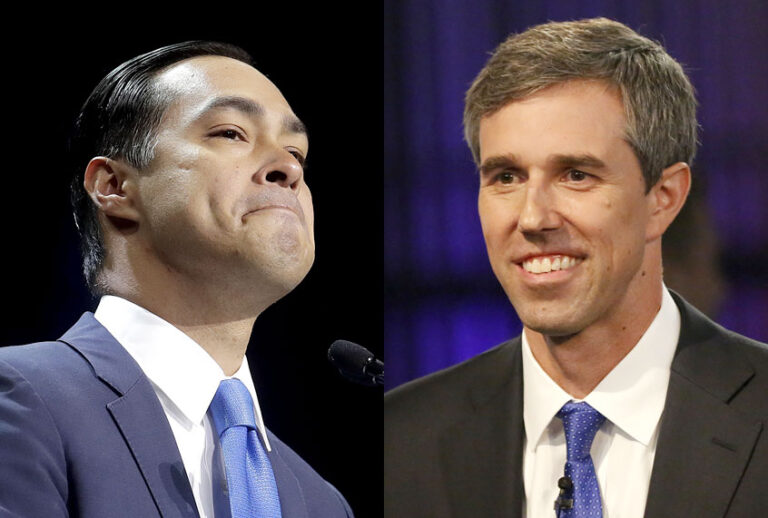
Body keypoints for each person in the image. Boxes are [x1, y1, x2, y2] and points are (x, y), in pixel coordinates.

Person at [385, 18, 767, 518]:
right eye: (506, 176)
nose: (532, 217)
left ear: (663, 198)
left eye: (576, 174)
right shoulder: (399, 439)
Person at [0, 41, 353, 517]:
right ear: (114, 187)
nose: (288, 168)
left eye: (296, 151)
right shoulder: (22, 399)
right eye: (231, 133)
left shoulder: (320, 502)